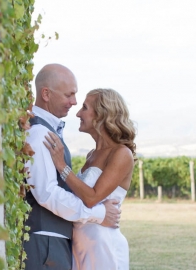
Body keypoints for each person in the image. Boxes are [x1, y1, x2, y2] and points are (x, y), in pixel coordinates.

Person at [24, 64, 121, 270]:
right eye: (69, 95)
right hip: (46, 244)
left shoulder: (46, 130)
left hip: (57, 243)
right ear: (46, 94)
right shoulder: (41, 133)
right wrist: (99, 214)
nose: (74, 103)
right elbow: (47, 193)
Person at [44, 88, 136, 270]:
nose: (78, 113)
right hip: (81, 242)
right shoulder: (91, 155)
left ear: (102, 115)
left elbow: (92, 197)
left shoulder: (121, 153)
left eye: (84, 108)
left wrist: (62, 166)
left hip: (103, 243)